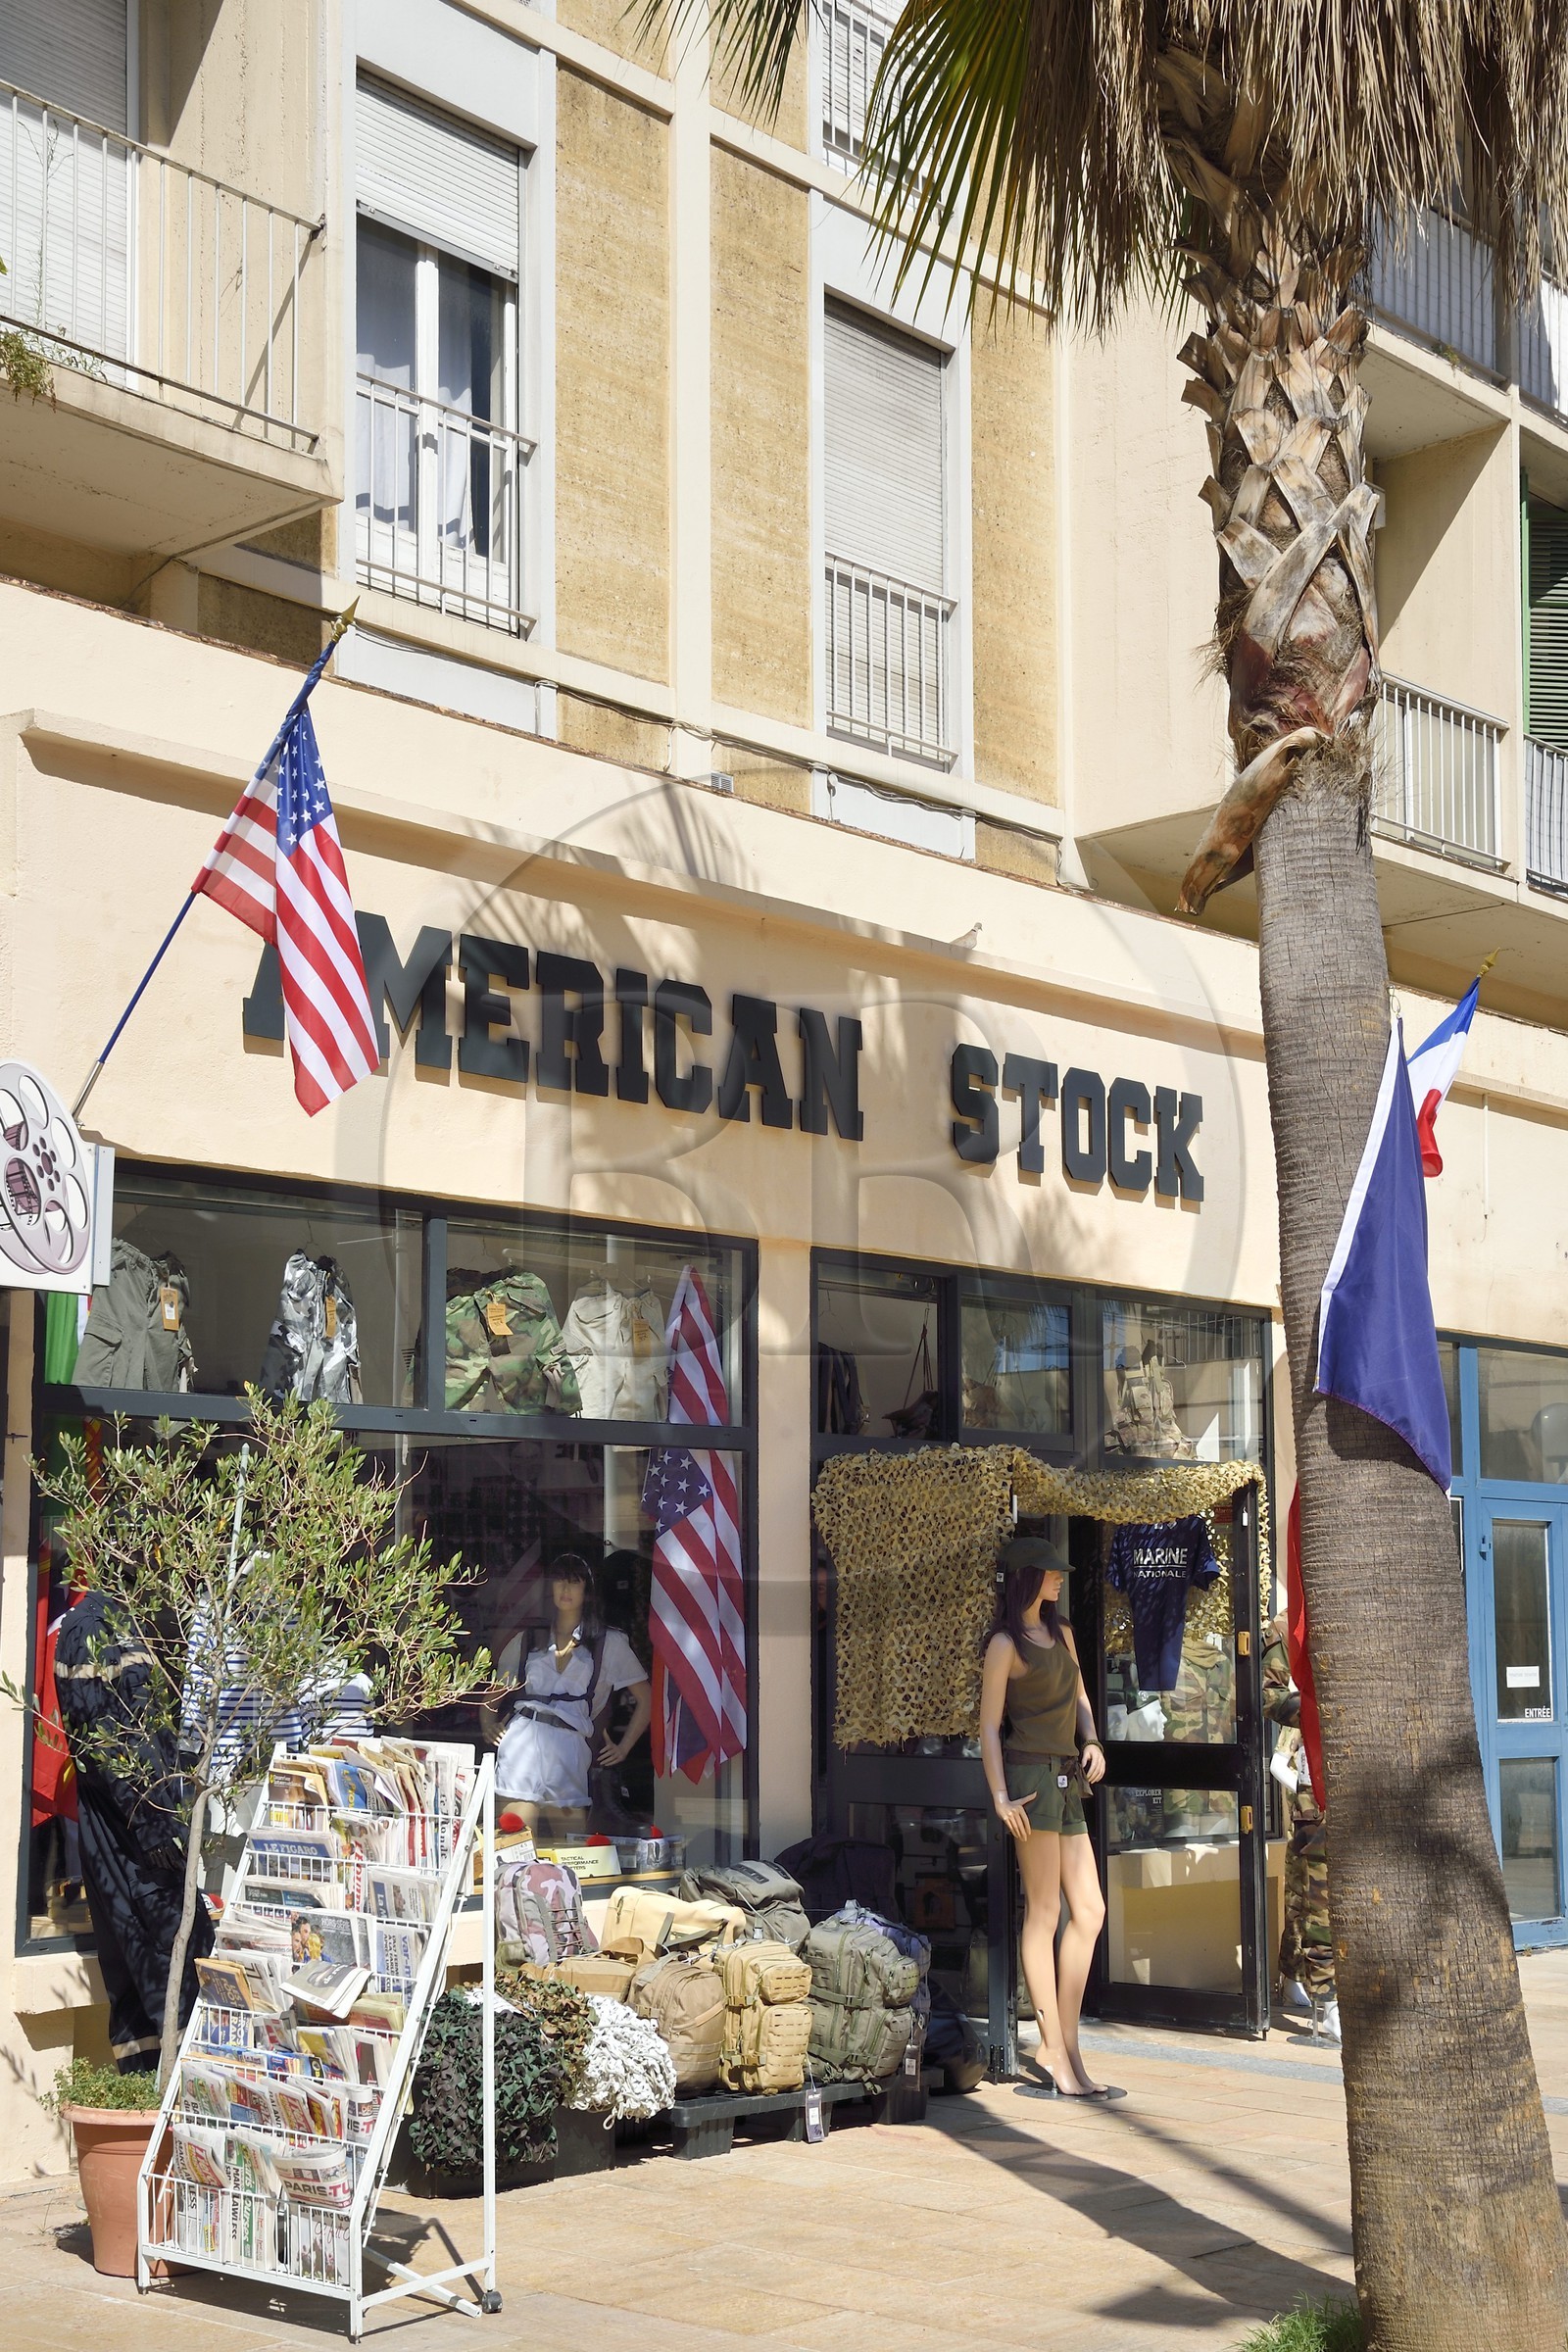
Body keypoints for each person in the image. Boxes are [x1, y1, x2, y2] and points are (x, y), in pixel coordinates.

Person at [979, 1535, 1110, 2098]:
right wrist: (1000, 1797)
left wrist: (1094, 1739)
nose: (1060, 1580)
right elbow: (987, 1727)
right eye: (1052, 1573)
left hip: (1067, 1776)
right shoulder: (1005, 1644)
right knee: (1045, 1911)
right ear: (1028, 1578)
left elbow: (1081, 1696)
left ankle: (1064, 2042)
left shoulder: (1063, 1634)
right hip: (1030, 1778)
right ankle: (1056, 2051)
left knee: (1091, 1910)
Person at [489, 1555, 651, 1842]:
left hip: (571, 1744)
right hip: (523, 1741)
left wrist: (624, 1747)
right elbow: (492, 1691)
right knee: (515, 1843)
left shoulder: (608, 1642)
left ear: (587, 1590)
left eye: (574, 1582)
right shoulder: (530, 1638)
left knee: (570, 1849)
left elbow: (646, 1699)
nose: (566, 1589)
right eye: (560, 1580)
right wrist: (486, 1721)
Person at [1262, 1608, 1339, 2042]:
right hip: (1312, 1785)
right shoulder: (1288, 1633)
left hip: (1360, 1783)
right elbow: (1270, 1697)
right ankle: (1328, 2002)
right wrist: (1314, 1712)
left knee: (1306, 1891)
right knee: (1316, 1894)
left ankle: (1293, 1971)